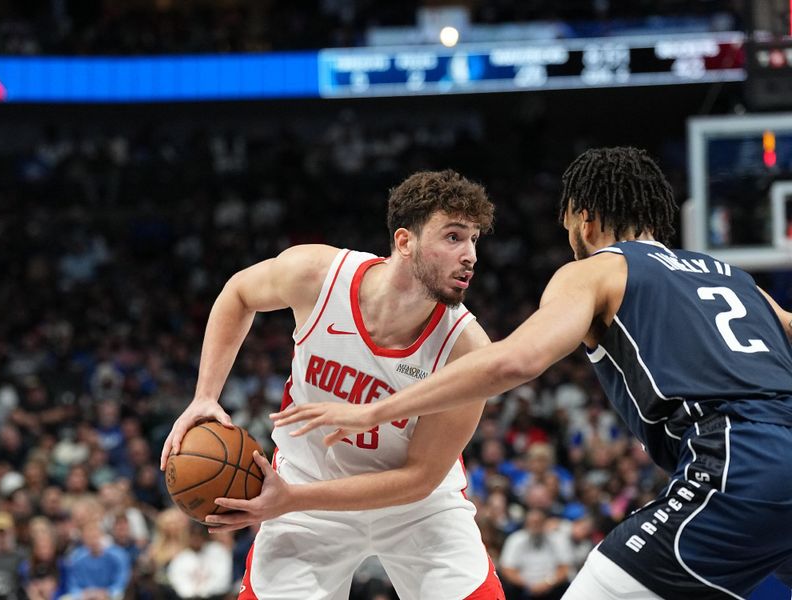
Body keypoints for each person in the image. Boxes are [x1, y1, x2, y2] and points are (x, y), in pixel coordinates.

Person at [273, 146, 792, 599]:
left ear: (584, 221)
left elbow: (513, 361)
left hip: (734, 465)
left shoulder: (597, 270)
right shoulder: (737, 280)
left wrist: (377, 409)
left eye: (568, 226)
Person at [160, 170, 504, 599]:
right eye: (453, 237)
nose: (470, 254)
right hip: (305, 485)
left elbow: (419, 477)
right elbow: (239, 294)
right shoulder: (319, 275)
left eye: (474, 239)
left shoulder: (466, 349)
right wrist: (205, 396)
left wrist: (290, 501)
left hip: (416, 509)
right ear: (404, 242)